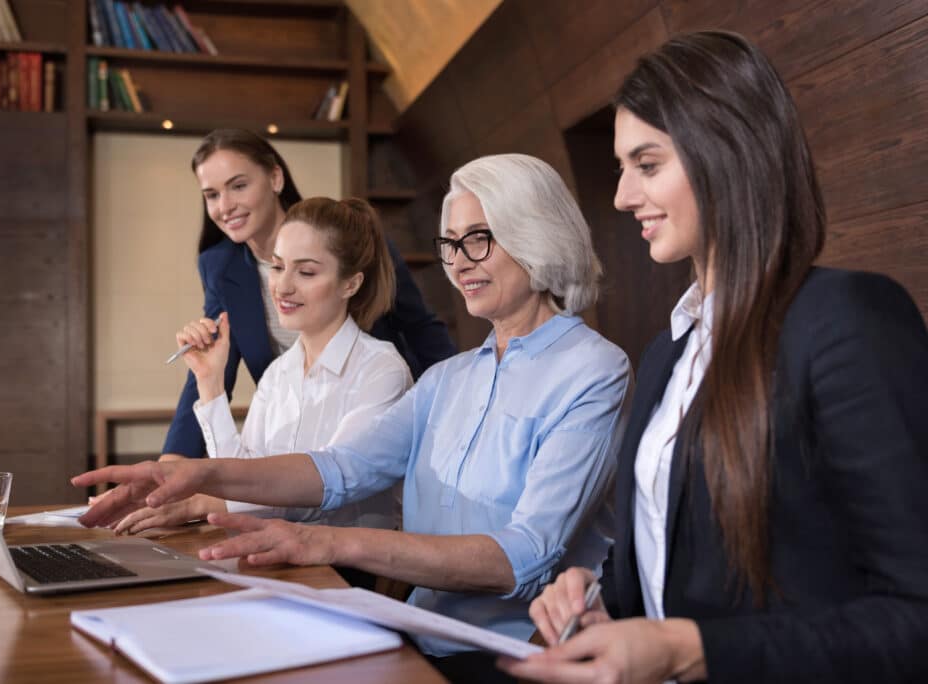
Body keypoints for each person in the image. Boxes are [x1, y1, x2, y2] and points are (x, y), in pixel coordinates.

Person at [74, 154, 632, 680]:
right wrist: (193, 474)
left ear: (536, 235)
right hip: (420, 636)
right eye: (451, 244)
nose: (459, 262)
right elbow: (340, 467)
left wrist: (329, 543)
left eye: (478, 240)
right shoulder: (448, 378)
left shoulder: (594, 369)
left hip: (515, 656)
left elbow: (523, 556)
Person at [501, 31, 928, 684]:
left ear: (726, 152)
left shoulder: (848, 320)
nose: (621, 197)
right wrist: (599, 596)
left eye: (647, 165)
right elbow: (675, 554)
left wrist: (687, 650)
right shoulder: (669, 350)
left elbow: (914, 615)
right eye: (622, 168)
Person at [112, 197, 411, 537]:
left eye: (306, 272)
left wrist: (199, 503)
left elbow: (326, 493)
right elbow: (241, 478)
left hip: (344, 567)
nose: (282, 287)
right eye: (278, 266)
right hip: (273, 552)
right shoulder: (278, 374)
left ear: (350, 284)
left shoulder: (381, 371)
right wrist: (210, 383)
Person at [161, 129, 455, 463]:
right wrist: (169, 468)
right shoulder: (221, 267)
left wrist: (457, 417)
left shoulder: (349, 241)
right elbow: (217, 358)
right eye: (211, 194)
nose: (225, 206)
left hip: (376, 420)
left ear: (275, 178)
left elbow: (421, 331)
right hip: (291, 434)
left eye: (239, 186)